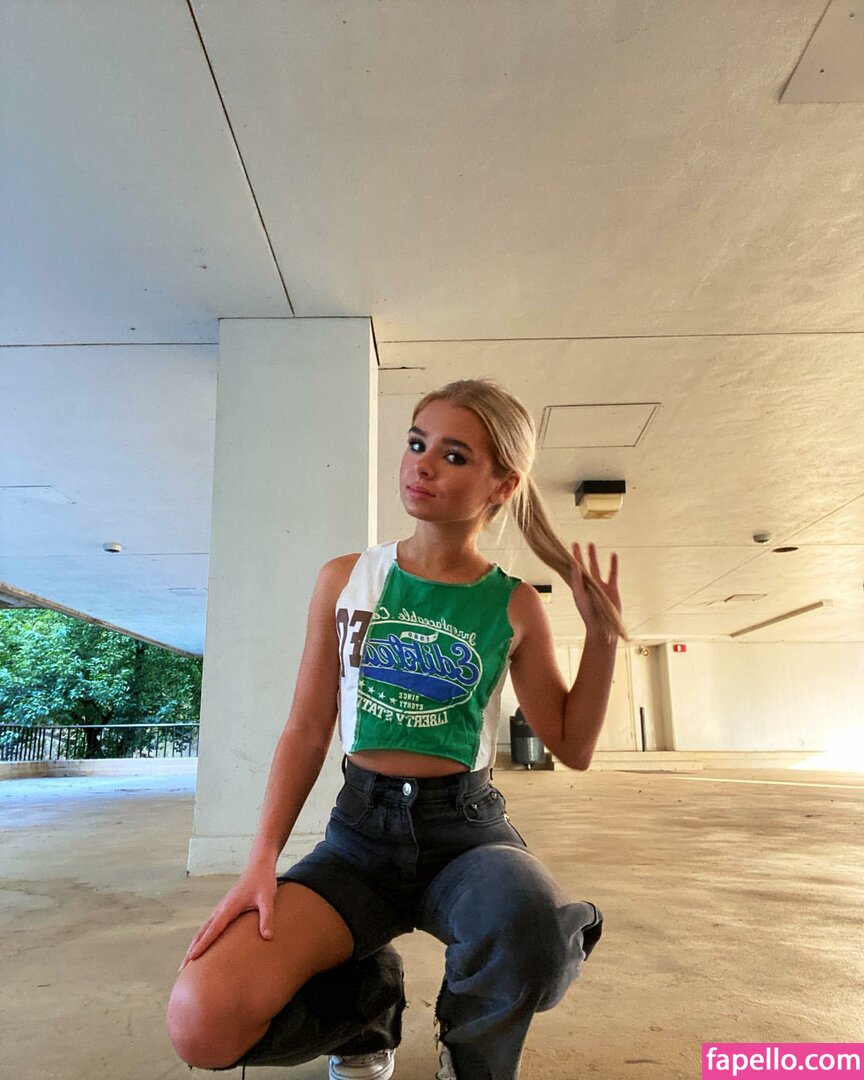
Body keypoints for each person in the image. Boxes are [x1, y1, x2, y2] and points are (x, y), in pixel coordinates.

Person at [166, 378, 626, 1080]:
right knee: (202, 1023)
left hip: (467, 835)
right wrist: (261, 859)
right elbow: (306, 729)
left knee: (533, 928)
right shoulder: (345, 579)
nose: (423, 464)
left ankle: (468, 1055)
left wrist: (602, 641)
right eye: (417, 444)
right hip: (360, 837)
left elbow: (572, 745)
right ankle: (367, 1010)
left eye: (454, 455)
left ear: (502, 484)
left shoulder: (513, 605)